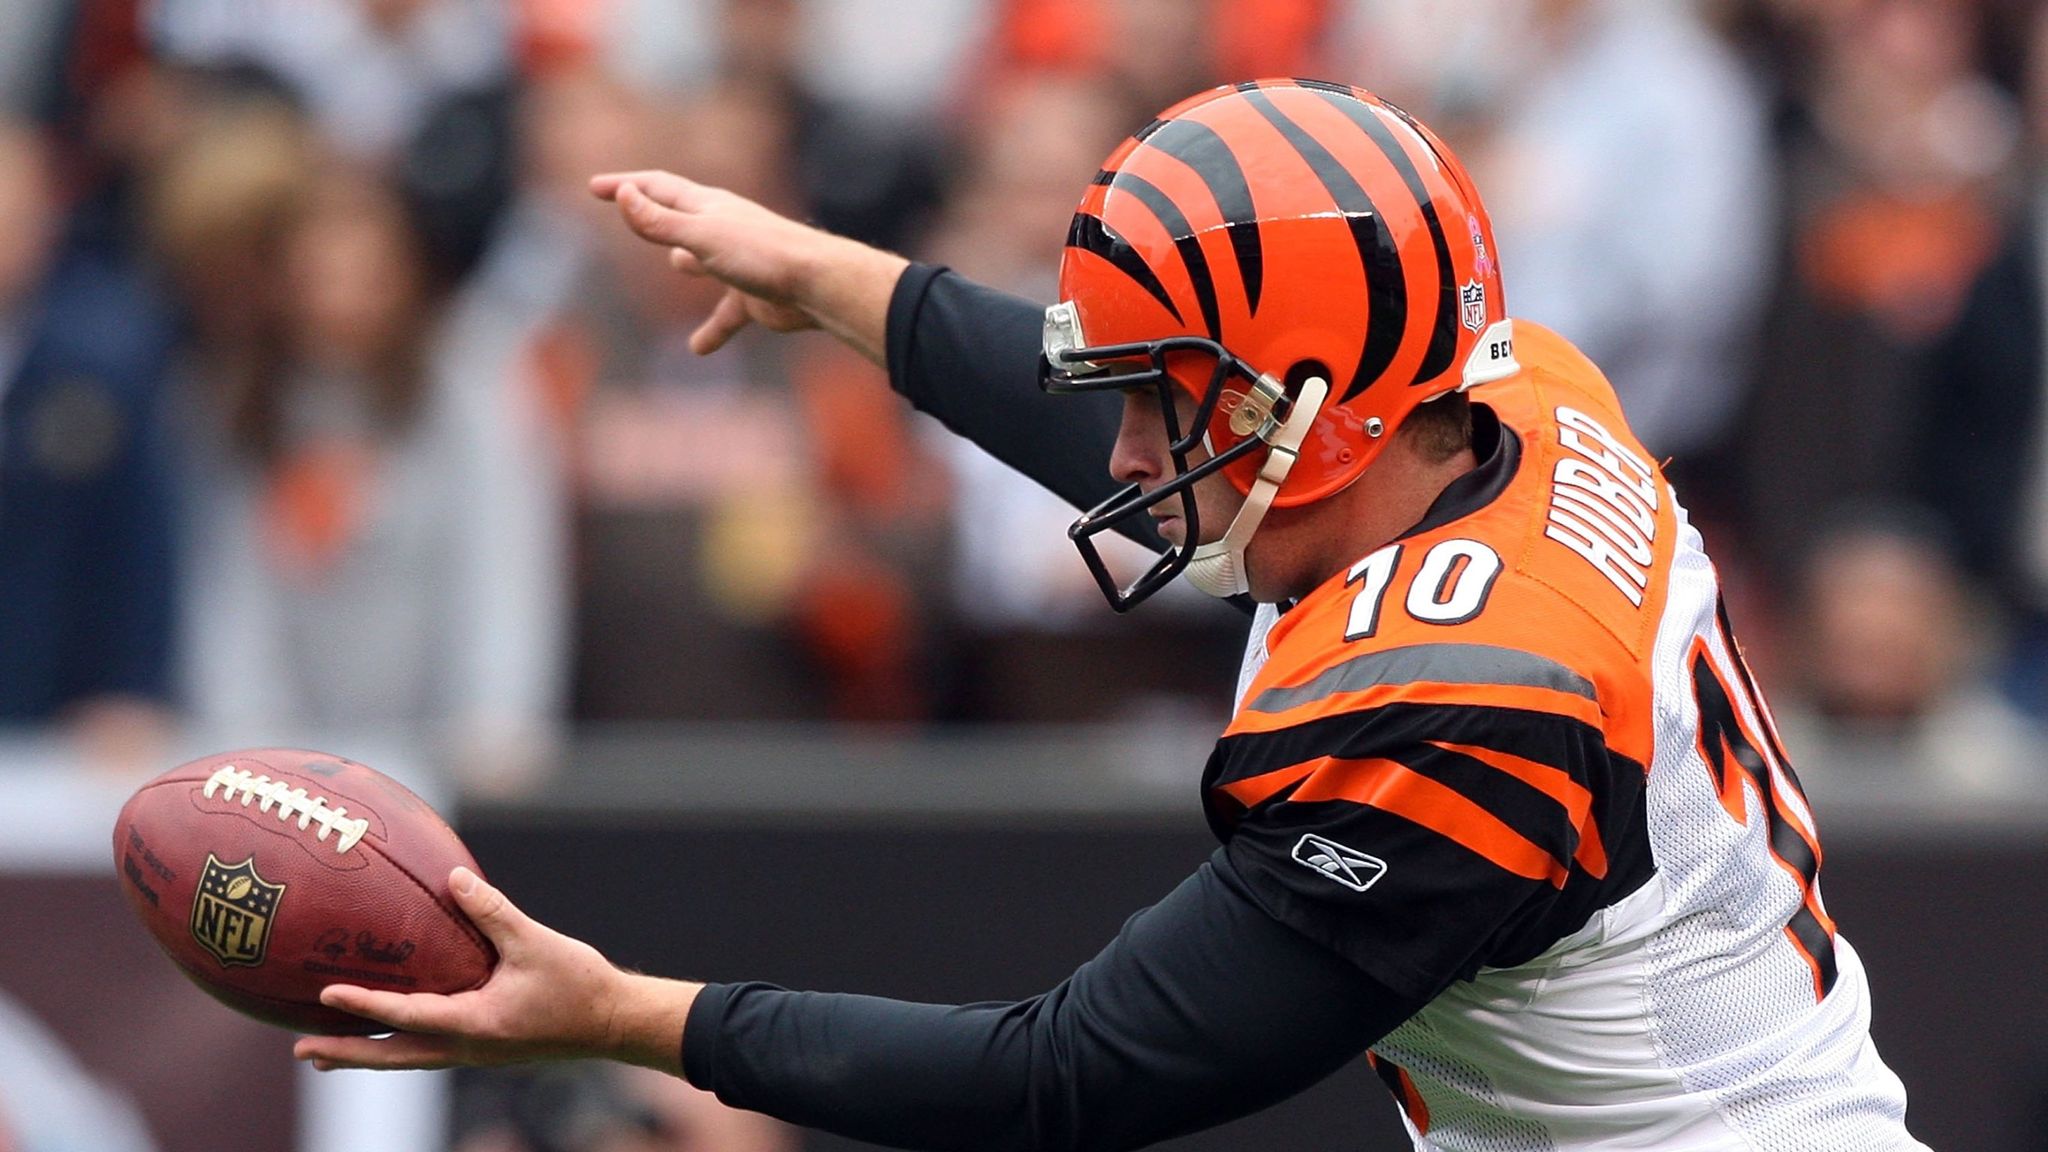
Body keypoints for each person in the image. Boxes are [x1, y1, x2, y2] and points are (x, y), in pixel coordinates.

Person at [296, 80, 1930, 1150]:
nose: (1132, 453)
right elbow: (1161, 427)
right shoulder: (1509, 397)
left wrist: (630, 1019)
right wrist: (834, 280)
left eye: (1172, 401)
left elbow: (1063, 1074)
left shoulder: (1456, 701)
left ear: (1319, 411)